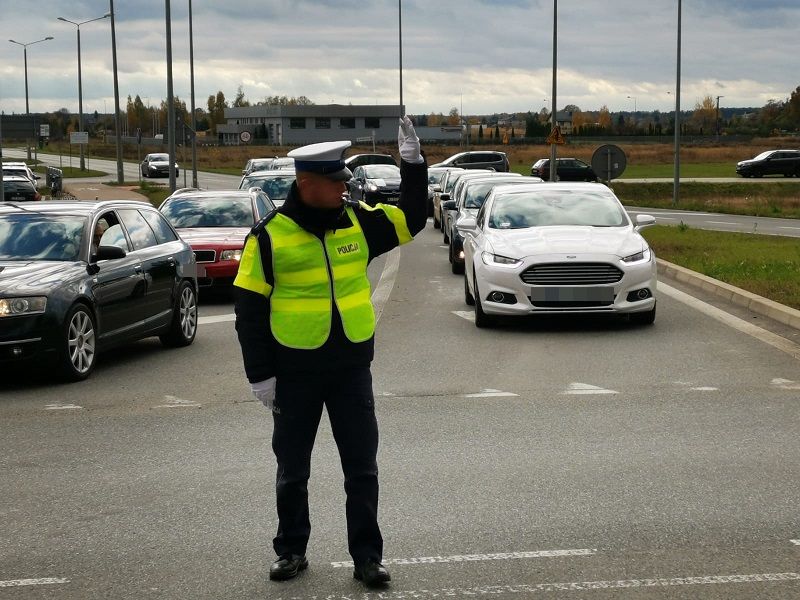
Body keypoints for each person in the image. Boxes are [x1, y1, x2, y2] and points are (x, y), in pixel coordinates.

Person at [233, 117, 427, 588]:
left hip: (350, 370)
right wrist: (260, 375)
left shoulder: (358, 222)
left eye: (345, 181)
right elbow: (249, 312)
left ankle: (367, 558)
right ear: (307, 185)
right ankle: (291, 550)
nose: (344, 189)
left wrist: (413, 164)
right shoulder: (268, 237)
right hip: (293, 372)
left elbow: (413, 219)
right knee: (292, 470)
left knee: (361, 468)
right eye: (335, 182)